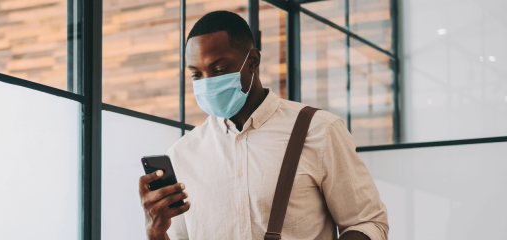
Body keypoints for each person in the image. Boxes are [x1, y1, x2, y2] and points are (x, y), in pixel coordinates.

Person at [137, 11, 388, 240]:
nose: (207, 83)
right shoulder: (181, 154)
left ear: (253, 61)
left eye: (220, 69)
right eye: (196, 74)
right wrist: (155, 231)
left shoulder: (320, 130)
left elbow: (368, 222)